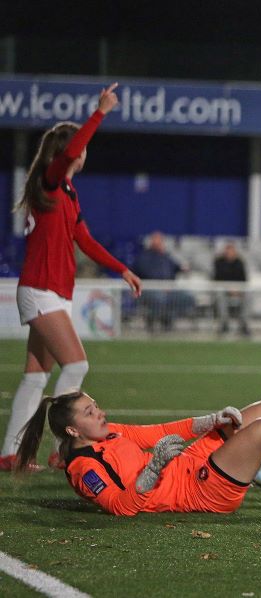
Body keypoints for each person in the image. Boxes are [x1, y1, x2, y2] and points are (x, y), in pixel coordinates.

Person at [1, 83, 142, 472]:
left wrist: (122, 268)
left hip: (53, 292)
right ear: (71, 151)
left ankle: (11, 454)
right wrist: (100, 112)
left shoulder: (67, 193)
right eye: (79, 147)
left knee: (35, 378)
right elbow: (66, 154)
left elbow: (85, 240)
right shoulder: (50, 180)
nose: (83, 152)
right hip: (41, 291)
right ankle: (64, 448)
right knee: (76, 365)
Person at [14, 391, 261, 515]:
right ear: (71, 430)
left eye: (95, 405)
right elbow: (120, 506)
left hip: (193, 466)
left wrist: (211, 420)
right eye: (89, 412)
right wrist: (155, 468)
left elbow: (161, 432)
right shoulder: (84, 467)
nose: (101, 413)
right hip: (197, 491)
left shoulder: (108, 435)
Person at [133, 231, 193, 331]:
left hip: (169, 288)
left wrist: (183, 268)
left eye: (160, 241)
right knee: (160, 299)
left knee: (187, 298)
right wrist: (161, 286)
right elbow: (144, 273)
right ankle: (152, 320)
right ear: (151, 242)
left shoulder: (165, 256)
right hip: (150, 288)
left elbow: (176, 267)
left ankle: (168, 319)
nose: (159, 244)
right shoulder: (144, 257)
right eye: (156, 241)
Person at [213, 242, 250, 336]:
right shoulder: (219, 262)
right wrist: (229, 288)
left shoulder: (239, 262)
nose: (229, 253)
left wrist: (237, 289)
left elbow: (244, 279)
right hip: (224, 290)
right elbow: (217, 278)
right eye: (227, 251)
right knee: (220, 295)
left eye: (231, 251)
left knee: (248, 296)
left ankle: (243, 324)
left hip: (238, 290)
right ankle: (224, 323)